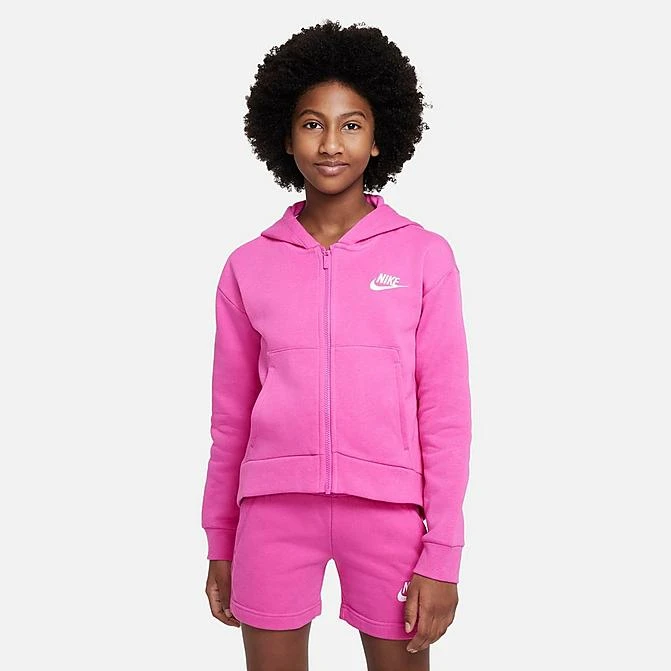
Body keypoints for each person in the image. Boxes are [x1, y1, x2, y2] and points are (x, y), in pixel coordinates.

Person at [201, 19, 472, 671]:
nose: (330, 143)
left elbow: (444, 414)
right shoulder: (247, 266)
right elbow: (229, 418)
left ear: (379, 138)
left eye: (351, 124)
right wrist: (220, 540)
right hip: (272, 511)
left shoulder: (424, 256)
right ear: (284, 136)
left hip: (388, 514)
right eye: (311, 124)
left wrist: (443, 552)